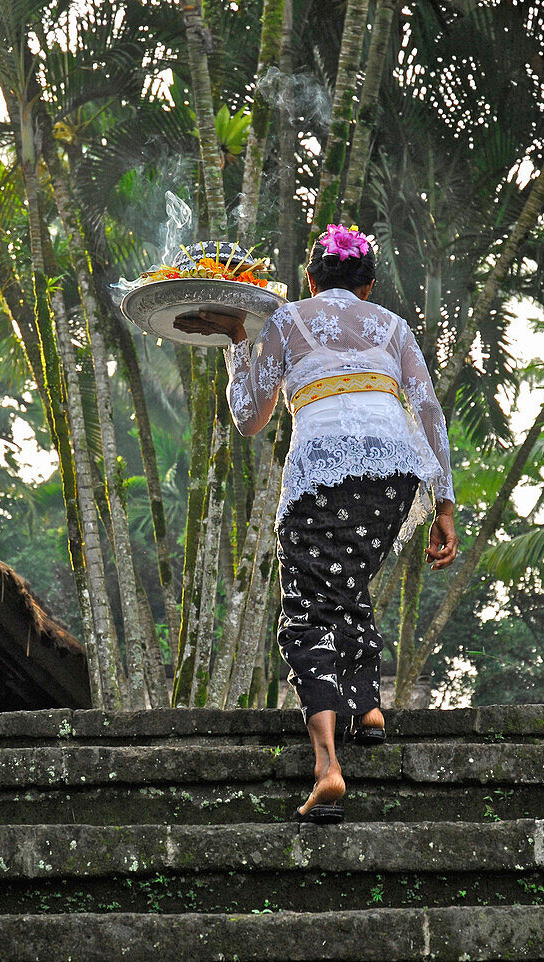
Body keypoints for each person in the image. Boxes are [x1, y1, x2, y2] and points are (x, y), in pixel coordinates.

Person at [174, 224, 458, 824]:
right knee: (344, 583)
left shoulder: (285, 319)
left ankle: (328, 767)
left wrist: (234, 338)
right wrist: (444, 506)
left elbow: (251, 416)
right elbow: (428, 408)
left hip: (324, 466)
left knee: (308, 608)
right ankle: (369, 707)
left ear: (310, 280)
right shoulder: (392, 325)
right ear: (369, 284)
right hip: (393, 469)